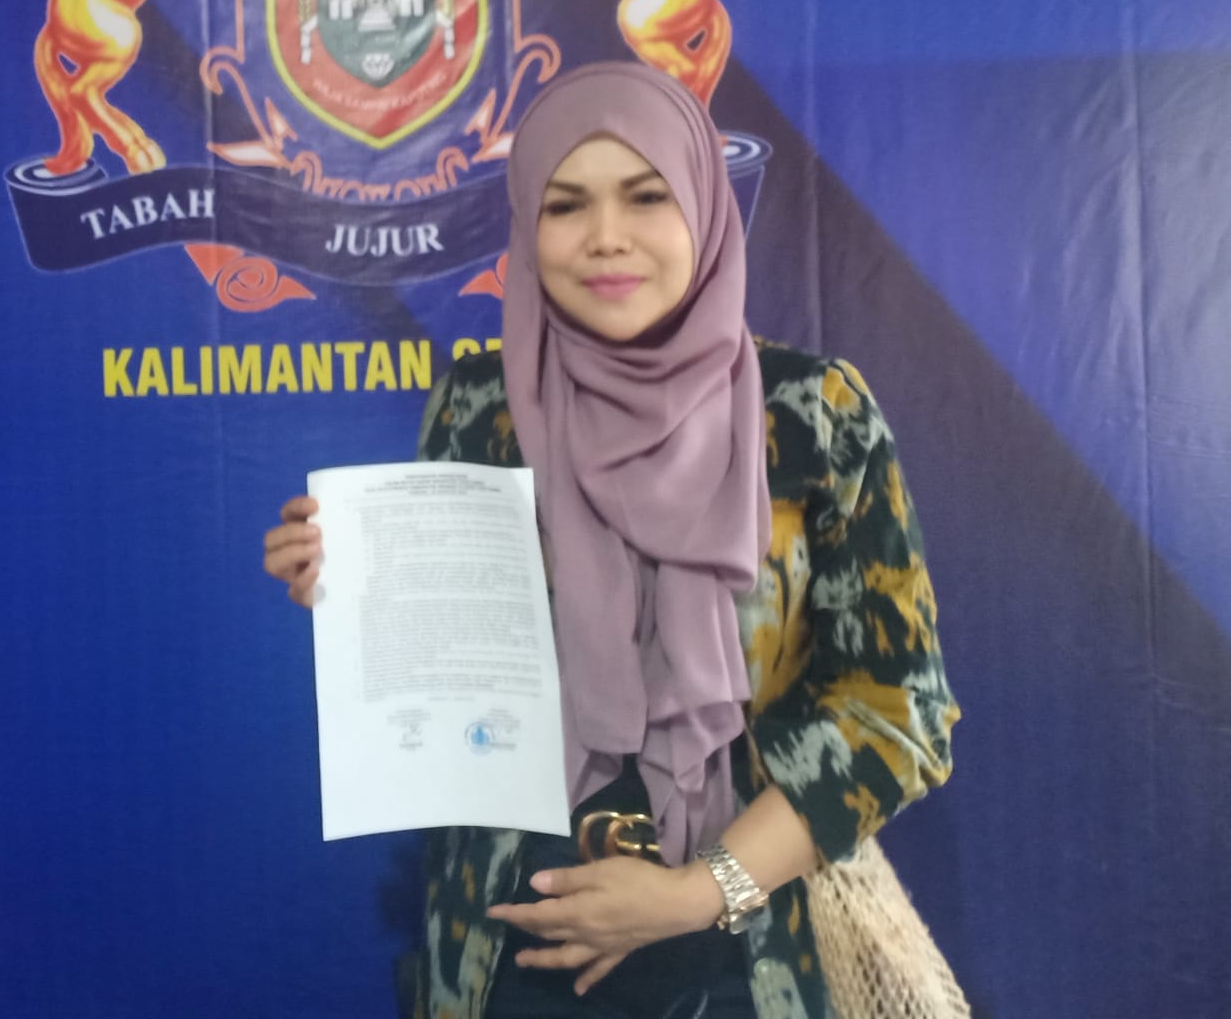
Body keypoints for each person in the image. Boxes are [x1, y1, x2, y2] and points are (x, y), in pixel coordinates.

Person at [264, 62, 959, 1019]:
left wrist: (696, 893)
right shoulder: (481, 407)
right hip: (509, 946)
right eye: (565, 205)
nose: (605, 237)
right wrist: (355, 582)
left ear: (705, 206)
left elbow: (896, 712)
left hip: (745, 951)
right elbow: (459, 655)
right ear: (526, 226)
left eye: (646, 196)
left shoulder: (812, 416)